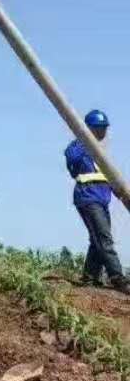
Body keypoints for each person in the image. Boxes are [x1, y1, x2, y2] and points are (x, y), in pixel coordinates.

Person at [65, 109, 127, 293]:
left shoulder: (100, 154)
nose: (103, 133)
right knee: (104, 238)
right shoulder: (79, 146)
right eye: (99, 129)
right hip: (88, 197)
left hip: (101, 199)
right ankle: (118, 277)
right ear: (90, 129)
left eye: (104, 129)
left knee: (97, 238)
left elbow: (109, 178)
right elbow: (71, 157)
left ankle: (90, 276)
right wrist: (86, 141)